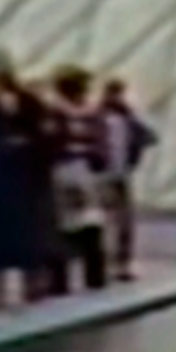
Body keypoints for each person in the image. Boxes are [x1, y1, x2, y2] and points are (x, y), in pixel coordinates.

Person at [0, 51, 54, 310]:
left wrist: (24, 146)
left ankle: (33, 287)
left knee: (27, 236)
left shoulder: (29, 102)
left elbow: (44, 135)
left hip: (24, 178)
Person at [43, 67, 107, 294]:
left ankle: (61, 283)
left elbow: (50, 145)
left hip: (64, 174)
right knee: (89, 228)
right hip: (82, 174)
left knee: (66, 228)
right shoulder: (90, 114)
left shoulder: (54, 113)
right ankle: (94, 280)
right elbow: (100, 148)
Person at [96, 78, 155, 282]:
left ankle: (120, 263)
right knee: (112, 221)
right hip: (106, 175)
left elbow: (150, 136)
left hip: (119, 174)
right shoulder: (99, 117)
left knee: (123, 221)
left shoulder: (125, 118)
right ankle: (113, 263)